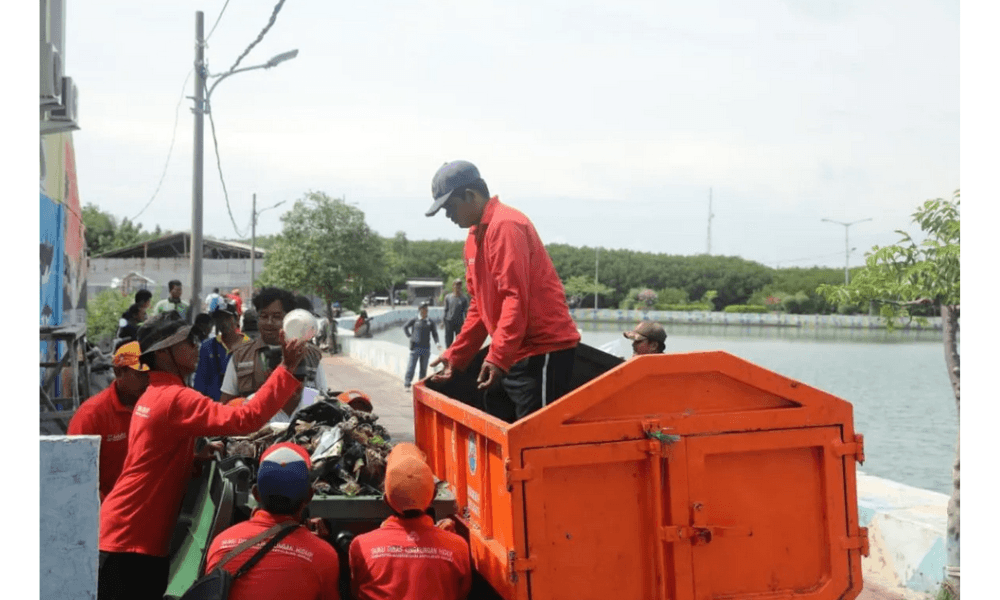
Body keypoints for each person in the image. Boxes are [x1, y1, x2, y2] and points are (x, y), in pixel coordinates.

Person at [98, 312, 307, 600]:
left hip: (125, 532)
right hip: (134, 542)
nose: (197, 346)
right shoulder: (176, 398)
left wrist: (193, 461)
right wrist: (286, 368)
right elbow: (244, 419)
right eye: (189, 341)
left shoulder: (153, 394)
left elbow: (149, 460)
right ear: (164, 352)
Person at [426, 160, 581, 421]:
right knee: (502, 425)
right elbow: (479, 305)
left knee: (532, 439)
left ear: (470, 195)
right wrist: (457, 355)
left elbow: (515, 298)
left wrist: (497, 356)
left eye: (450, 207)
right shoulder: (475, 238)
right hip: (513, 351)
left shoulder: (506, 225)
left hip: (541, 350)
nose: (448, 216)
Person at [204, 443, 340, 600]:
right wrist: (315, 547)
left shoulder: (221, 543)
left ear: (255, 494)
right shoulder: (324, 555)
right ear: (309, 496)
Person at [349, 444, 471, 600]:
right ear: (433, 496)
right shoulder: (458, 547)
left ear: (386, 499)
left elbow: (355, 592)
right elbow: (461, 593)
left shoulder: (361, 546)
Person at [68, 341, 150, 502]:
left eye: (150, 374)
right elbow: (76, 472)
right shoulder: (91, 415)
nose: (147, 381)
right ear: (118, 372)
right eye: (140, 374)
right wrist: (108, 510)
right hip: (107, 510)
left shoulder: (152, 408)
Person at [219, 287, 327, 406]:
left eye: (276, 317)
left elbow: (322, 399)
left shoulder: (311, 355)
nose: (269, 322)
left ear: (289, 318)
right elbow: (226, 404)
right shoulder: (240, 356)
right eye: (264, 316)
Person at [193, 301, 251, 401]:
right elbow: (200, 383)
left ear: (236, 319)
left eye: (227, 318)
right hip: (213, 407)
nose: (223, 322)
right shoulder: (208, 347)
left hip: (241, 407)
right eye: (219, 318)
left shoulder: (249, 346)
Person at [403, 303, 441, 391]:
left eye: (427, 310)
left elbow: (435, 334)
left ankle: (420, 386)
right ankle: (407, 384)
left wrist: (437, 343)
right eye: (424, 309)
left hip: (426, 348)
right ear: (420, 310)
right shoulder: (415, 320)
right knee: (411, 366)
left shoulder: (430, 322)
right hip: (415, 348)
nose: (426, 311)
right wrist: (410, 336)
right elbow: (405, 327)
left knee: (423, 369)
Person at [442, 278, 469, 348]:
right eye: (457, 285)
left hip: (459, 322)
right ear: (453, 286)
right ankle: (447, 354)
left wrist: (467, 323)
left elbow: (466, 312)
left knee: (459, 341)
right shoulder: (448, 297)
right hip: (449, 321)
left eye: (460, 285)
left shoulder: (464, 298)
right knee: (448, 341)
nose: (458, 287)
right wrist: (443, 321)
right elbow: (445, 309)